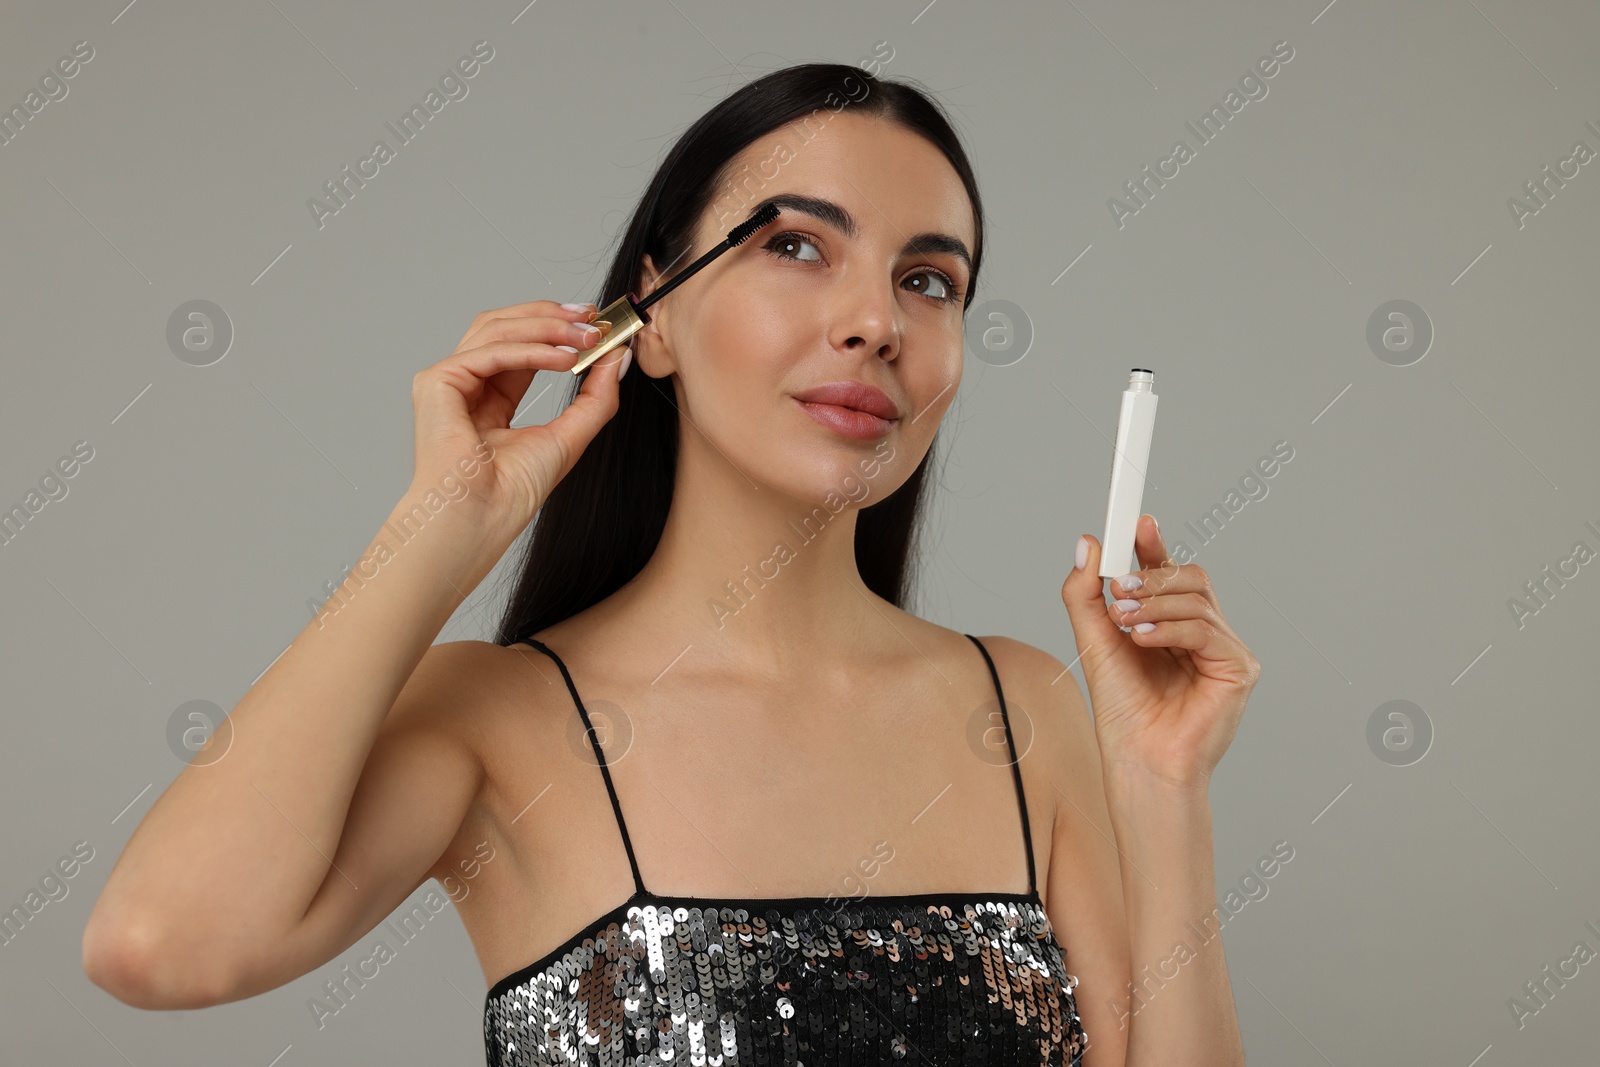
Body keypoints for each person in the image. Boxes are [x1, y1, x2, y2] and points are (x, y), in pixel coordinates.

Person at [82, 63, 1256, 1066]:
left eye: (927, 278)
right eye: (796, 245)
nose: (874, 322)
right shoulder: (492, 718)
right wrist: (437, 524)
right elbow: (159, 944)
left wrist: (1164, 787)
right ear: (653, 313)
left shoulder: (1024, 709)